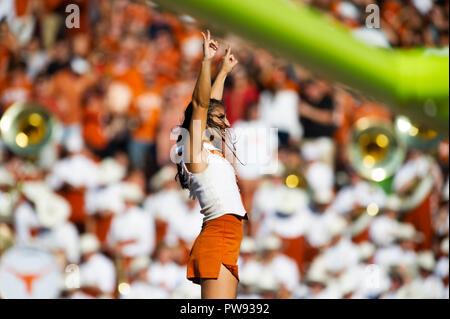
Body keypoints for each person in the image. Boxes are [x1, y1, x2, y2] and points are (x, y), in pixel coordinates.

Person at [175, 30, 246, 299]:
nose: (227, 124)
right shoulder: (193, 148)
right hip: (219, 236)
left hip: (227, 237)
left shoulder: (206, 147)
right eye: (221, 119)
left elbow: (211, 105)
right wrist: (206, 61)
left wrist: (224, 70)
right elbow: (201, 104)